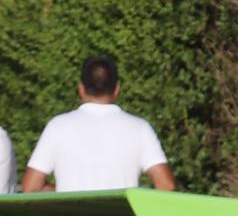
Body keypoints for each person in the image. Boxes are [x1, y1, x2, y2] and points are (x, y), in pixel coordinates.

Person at [22, 55, 176, 193]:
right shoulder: (140, 128)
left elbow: (31, 187)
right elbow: (166, 185)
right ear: (117, 89)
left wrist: (63, 190)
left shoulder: (57, 126)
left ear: (81, 89)